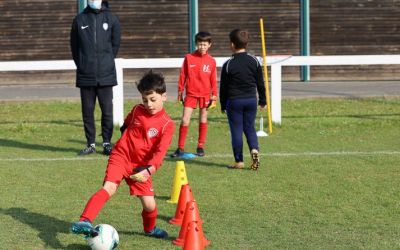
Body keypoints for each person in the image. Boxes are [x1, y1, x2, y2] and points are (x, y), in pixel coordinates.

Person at [70, 71, 175, 239]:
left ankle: (150, 229)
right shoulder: (137, 110)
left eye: (153, 100)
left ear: (164, 97)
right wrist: (127, 142)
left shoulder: (167, 125)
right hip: (121, 156)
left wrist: (148, 170)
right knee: (109, 188)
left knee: (150, 205)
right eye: (145, 100)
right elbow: (126, 125)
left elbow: (160, 153)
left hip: (141, 167)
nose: (148, 104)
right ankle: (85, 221)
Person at [70, 0, 121, 156]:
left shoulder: (112, 19)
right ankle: (90, 144)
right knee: (87, 111)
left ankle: (106, 143)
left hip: (106, 74)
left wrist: (105, 62)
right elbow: (74, 47)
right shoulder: (79, 20)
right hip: (86, 75)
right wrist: (84, 64)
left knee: (107, 110)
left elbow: (115, 45)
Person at [219, 29, 266, 170]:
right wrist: (262, 100)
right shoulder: (254, 61)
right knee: (250, 127)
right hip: (251, 99)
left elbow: (223, 87)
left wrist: (223, 104)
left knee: (236, 131)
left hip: (234, 101)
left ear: (232, 45)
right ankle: (254, 150)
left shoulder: (228, 64)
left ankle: (239, 161)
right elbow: (260, 82)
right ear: (247, 43)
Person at [171, 31, 217, 157]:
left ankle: (200, 146)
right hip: (191, 94)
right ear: (196, 44)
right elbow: (183, 76)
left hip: (205, 95)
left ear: (209, 45)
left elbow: (213, 79)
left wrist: (214, 95)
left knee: (203, 118)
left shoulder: (211, 61)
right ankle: (180, 147)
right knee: (185, 119)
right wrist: (180, 92)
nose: (202, 47)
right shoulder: (189, 58)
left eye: (205, 44)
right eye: (200, 44)